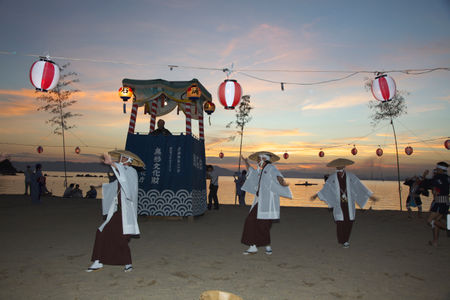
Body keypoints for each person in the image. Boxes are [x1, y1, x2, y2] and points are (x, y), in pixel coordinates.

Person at [86, 150, 144, 273]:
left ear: (129, 161)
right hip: (118, 211)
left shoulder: (132, 172)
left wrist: (111, 163)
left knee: (121, 238)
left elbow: (124, 175)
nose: (120, 160)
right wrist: (102, 186)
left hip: (127, 213)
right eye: (120, 158)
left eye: (123, 158)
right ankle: (98, 261)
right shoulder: (123, 173)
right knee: (102, 232)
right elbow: (117, 182)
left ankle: (127, 263)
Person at [311, 158, 377, 248]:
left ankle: (346, 240)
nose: (340, 167)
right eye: (338, 166)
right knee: (340, 222)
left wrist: (370, 196)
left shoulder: (350, 176)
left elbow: (359, 186)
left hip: (349, 203)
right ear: (336, 167)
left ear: (344, 166)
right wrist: (316, 195)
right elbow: (326, 188)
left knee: (349, 221)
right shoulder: (332, 177)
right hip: (339, 203)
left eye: (341, 165)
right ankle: (342, 240)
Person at [240, 152, 292, 255]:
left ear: (264, 158)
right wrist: (246, 162)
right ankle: (254, 246)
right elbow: (252, 172)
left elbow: (278, 176)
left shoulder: (271, 168)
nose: (257, 161)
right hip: (260, 200)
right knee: (255, 222)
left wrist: (282, 182)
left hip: (268, 201)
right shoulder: (261, 170)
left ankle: (265, 244)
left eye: (259, 159)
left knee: (263, 224)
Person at [425, 161, 449, 247]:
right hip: (445, 202)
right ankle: (435, 241)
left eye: (438, 168)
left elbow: (427, 184)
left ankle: (448, 228)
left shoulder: (438, 177)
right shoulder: (447, 178)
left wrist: (424, 175)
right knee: (436, 222)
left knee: (430, 221)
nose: (436, 169)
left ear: (441, 170)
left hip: (439, 202)